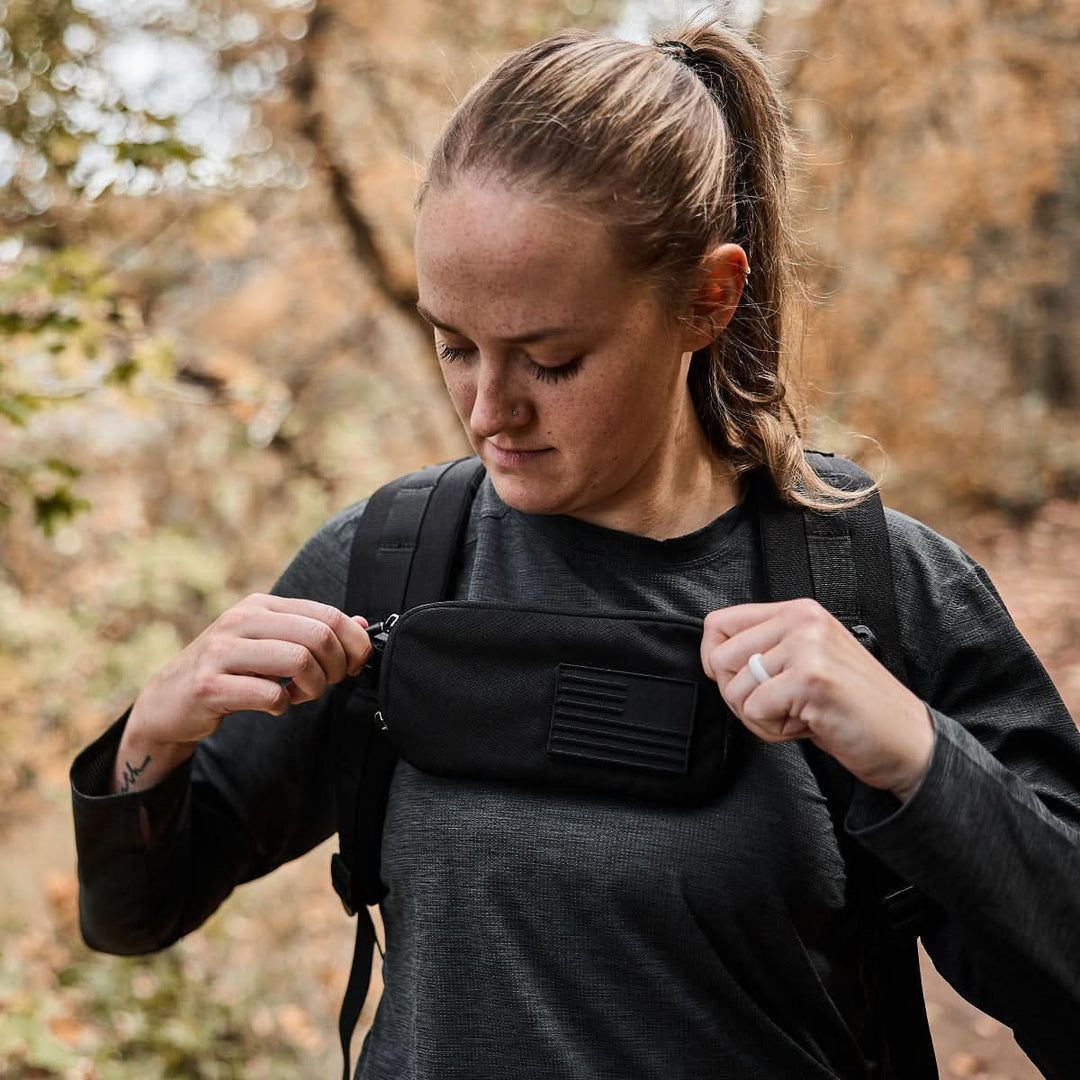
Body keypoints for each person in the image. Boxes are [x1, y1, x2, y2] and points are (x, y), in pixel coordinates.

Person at [71, 19, 1080, 1080]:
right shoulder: (393, 561)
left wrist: (917, 755)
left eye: (549, 359)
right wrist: (157, 732)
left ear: (708, 298)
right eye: (454, 345)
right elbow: (135, 915)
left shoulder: (876, 591)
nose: (488, 412)